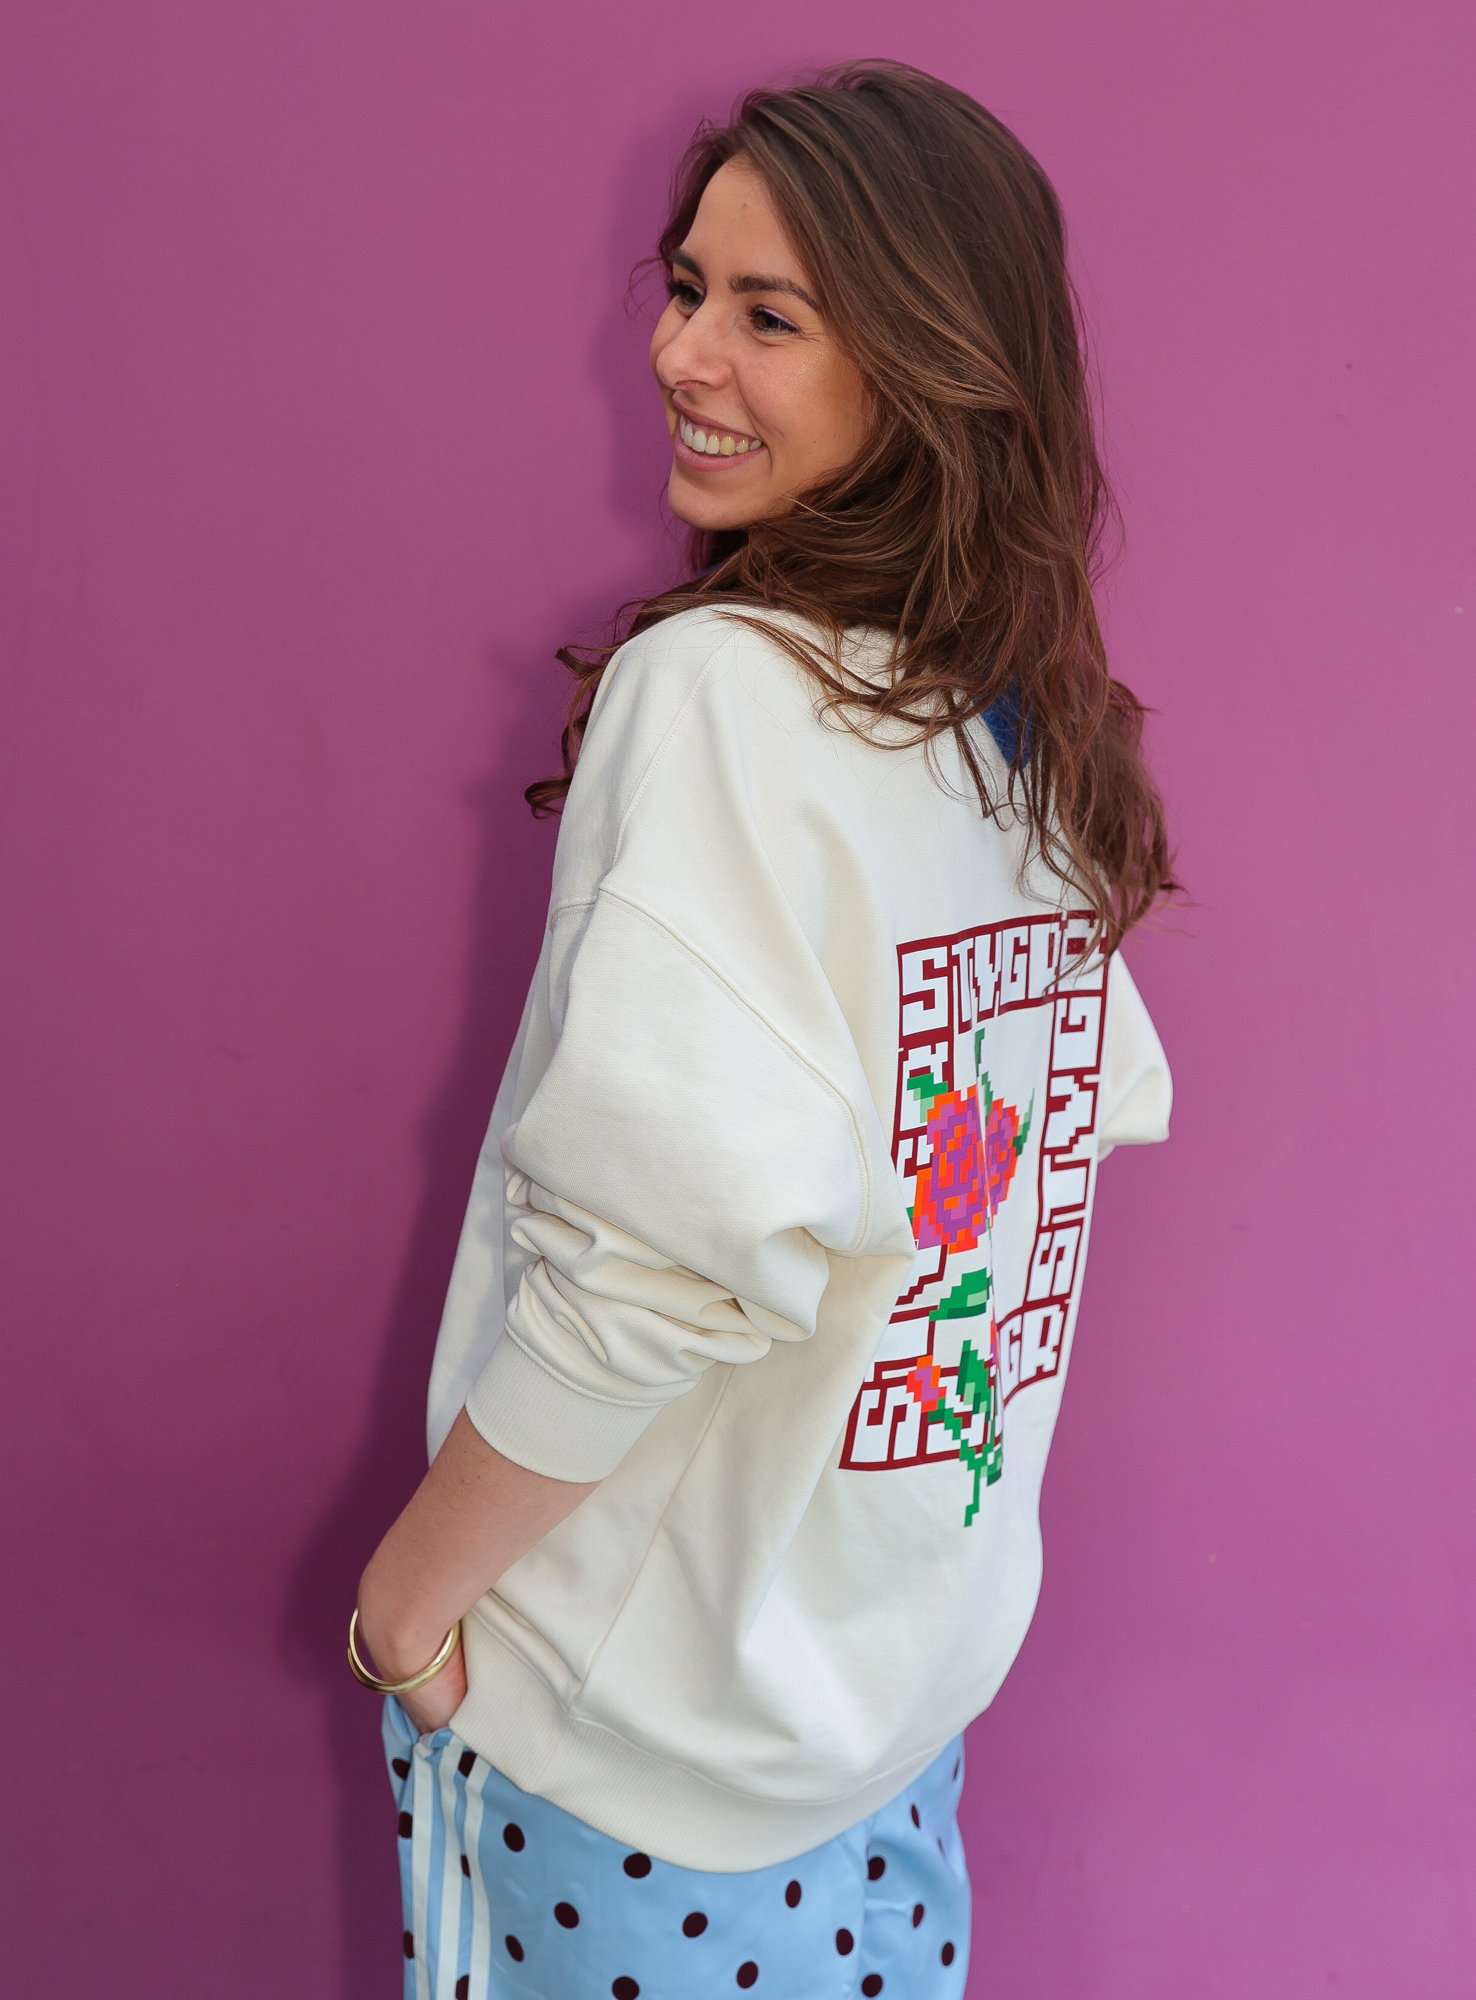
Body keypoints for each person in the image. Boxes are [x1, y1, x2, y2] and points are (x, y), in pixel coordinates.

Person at [353, 60, 1176, 2000]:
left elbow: (654, 1265)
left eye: (769, 314)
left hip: (634, 1755)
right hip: (883, 1724)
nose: (680, 355)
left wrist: (408, 1604)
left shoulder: (724, 694)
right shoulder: (1009, 731)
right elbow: (1053, 1141)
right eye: (684, 287)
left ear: (932, 361)